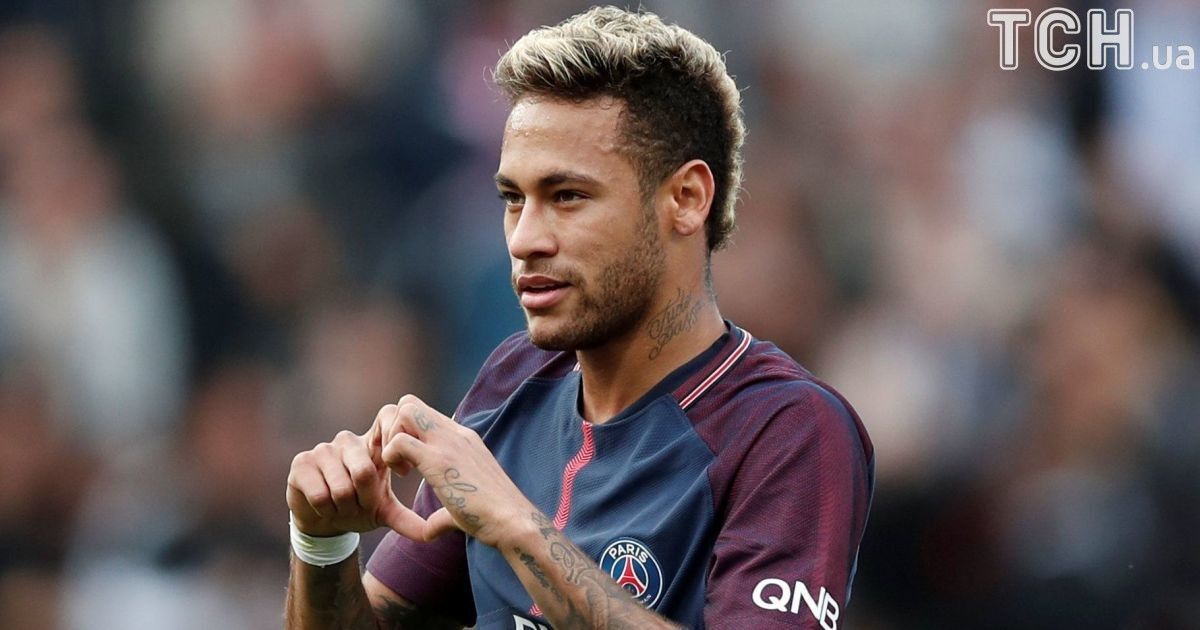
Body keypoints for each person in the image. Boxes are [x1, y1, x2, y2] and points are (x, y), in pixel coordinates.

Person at [285, 6, 874, 629]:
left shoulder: (787, 430)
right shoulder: (511, 382)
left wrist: (519, 528)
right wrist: (322, 545)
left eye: (567, 196)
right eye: (513, 199)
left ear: (686, 199)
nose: (524, 239)